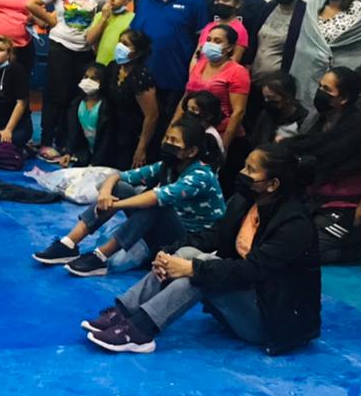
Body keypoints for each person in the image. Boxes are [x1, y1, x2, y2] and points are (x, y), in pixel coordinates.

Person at [81, 142, 320, 355]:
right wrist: (168, 253)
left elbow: (253, 269)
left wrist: (192, 268)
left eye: (250, 170)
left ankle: (141, 330)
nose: (242, 173)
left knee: (202, 272)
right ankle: (124, 311)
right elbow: (215, 235)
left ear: (272, 184)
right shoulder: (244, 202)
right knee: (186, 255)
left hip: (270, 320)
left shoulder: (294, 224)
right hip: (247, 295)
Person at [31, 119, 225, 278]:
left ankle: (100, 257)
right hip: (164, 228)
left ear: (191, 151)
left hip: (189, 240)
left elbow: (156, 197)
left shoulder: (201, 175)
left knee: (156, 204)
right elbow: (119, 176)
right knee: (120, 188)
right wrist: (106, 194)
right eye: (167, 138)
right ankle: (69, 243)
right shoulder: (167, 166)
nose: (167, 144)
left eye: (174, 141)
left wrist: (115, 204)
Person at [286, 68, 361, 265]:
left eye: (327, 89)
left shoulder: (360, 129)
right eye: (320, 86)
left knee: (304, 254)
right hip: (316, 202)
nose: (320, 92)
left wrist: (360, 214)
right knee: (283, 239)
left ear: (344, 98)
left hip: (345, 208)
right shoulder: (316, 120)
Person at [26, 0, 107, 159]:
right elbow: (32, 4)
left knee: (75, 97)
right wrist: (49, 19)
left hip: (85, 51)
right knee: (56, 96)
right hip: (60, 46)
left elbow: (105, 14)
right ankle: (46, 141)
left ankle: (66, 142)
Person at [130, 0, 208, 121]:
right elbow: (134, 35)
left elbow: (202, 42)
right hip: (145, 78)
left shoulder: (194, 3)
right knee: (142, 122)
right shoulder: (146, 2)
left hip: (176, 80)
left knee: (168, 124)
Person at [249, 0, 331, 111]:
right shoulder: (269, 7)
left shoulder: (306, 12)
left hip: (281, 86)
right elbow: (255, 39)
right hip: (255, 79)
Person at [179, 24, 250, 152]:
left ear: (230, 48)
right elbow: (186, 98)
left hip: (220, 135)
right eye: (209, 40)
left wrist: (223, 147)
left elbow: (238, 112)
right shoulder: (199, 66)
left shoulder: (238, 72)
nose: (211, 44)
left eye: (217, 41)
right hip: (195, 131)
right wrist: (173, 127)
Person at [100, 28, 160, 170]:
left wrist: (141, 149)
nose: (120, 46)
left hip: (133, 134)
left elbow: (152, 116)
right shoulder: (113, 67)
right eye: (120, 42)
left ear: (137, 52)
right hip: (113, 128)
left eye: (126, 44)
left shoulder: (141, 77)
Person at [0, 35, 34, 148]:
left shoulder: (17, 70)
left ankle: (24, 150)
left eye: (1, 50)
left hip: (17, 126)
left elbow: (21, 103)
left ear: (9, 54)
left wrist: (8, 130)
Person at [59, 64, 108, 167]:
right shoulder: (76, 104)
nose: (88, 81)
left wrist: (95, 163)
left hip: (105, 157)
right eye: (86, 77)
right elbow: (73, 132)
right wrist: (68, 153)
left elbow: (107, 140)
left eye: (93, 79)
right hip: (86, 154)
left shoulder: (106, 107)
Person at [85, 0, 135, 66]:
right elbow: (89, 40)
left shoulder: (132, 19)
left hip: (119, 66)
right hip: (100, 64)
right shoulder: (100, 15)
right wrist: (103, 19)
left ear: (128, 0)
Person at [248, 72, 308, 147]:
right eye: (265, 97)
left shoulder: (304, 120)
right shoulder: (267, 113)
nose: (267, 101)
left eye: (271, 97)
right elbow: (255, 141)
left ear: (288, 97)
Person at [197, 0, 249, 65]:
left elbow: (234, 61)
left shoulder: (240, 30)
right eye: (217, 0)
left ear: (237, 4)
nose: (220, 3)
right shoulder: (209, 26)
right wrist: (194, 71)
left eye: (225, 0)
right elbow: (196, 55)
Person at [181, 90, 226, 161]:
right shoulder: (187, 128)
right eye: (187, 108)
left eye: (194, 109)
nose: (188, 112)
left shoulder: (210, 136)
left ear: (209, 115)